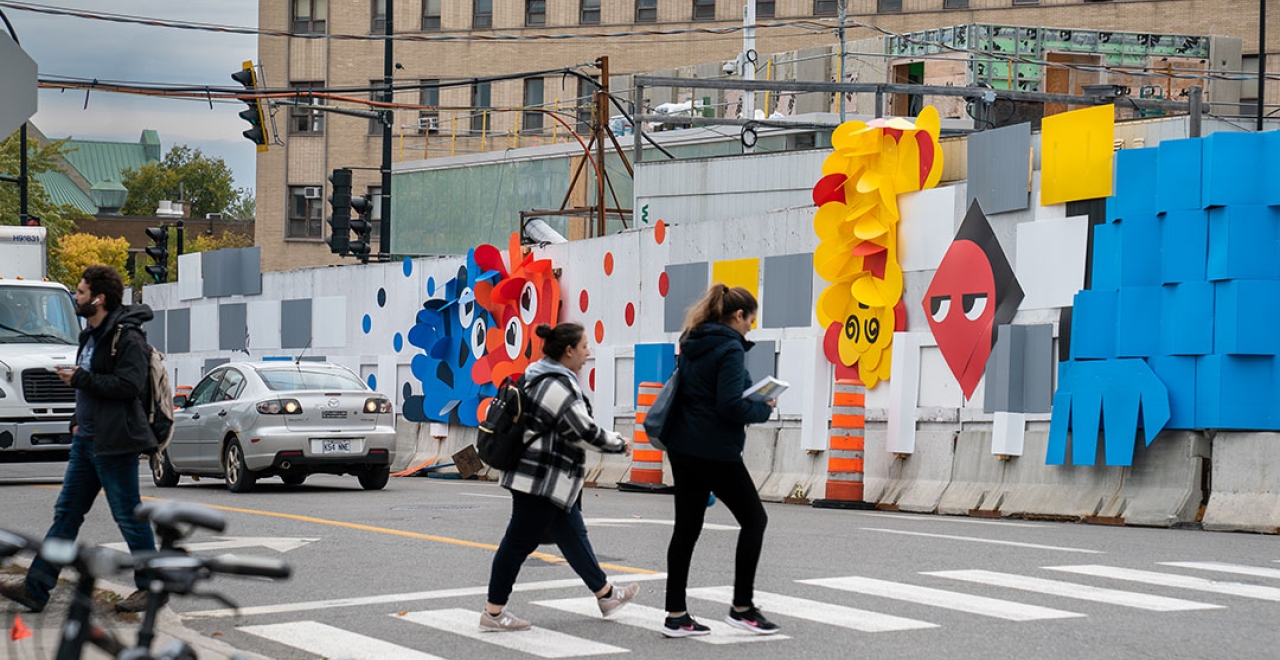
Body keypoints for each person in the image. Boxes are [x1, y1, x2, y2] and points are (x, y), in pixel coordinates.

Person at [0, 265, 159, 614]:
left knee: (129, 515)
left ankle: (151, 588)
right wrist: (75, 417)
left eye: (81, 292)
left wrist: (82, 380)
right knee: (67, 513)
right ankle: (36, 588)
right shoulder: (88, 336)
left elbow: (129, 386)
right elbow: (87, 388)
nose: (76, 297)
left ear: (98, 299)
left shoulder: (126, 337)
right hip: (86, 441)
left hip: (115, 443)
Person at [481, 322, 639, 632]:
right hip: (540, 480)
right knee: (517, 543)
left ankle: (605, 594)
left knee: (571, 533)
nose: (587, 353)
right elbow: (582, 431)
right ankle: (494, 612)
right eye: (584, 347)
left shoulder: (538, 373)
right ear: (568, 351)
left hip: (549, 479)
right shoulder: (555, 385)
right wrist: (619, 442)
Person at [659, 283, 779, 638]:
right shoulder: (728, 348)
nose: (750, 327)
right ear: (737, 315)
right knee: (754, 519)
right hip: (714, 448)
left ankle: (675, 614)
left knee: (687, 528)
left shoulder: (693, 341)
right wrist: (763, 407)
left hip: (683, 445)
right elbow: (729, 406)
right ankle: (742, 608)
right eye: (750, 320)